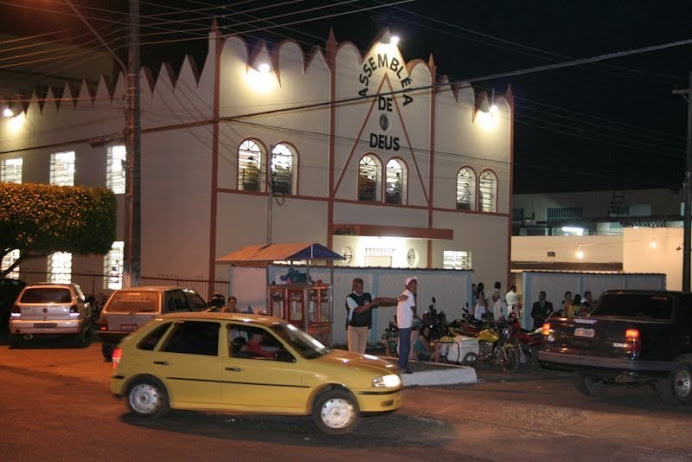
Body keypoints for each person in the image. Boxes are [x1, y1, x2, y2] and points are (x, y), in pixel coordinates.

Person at [345, 278, 399, 354]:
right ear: (353, 287)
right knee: (353, 352)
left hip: (364, 327)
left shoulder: (368, 295)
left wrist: (397, 300)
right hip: (353, 327)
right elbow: (358, 310)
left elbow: (380, 300)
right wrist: (371, 304)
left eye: (361, 287)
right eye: (357, 287)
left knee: (361, 352)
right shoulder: (350, 297)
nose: (360, 290)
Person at [397, 277, 418, 374]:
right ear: (407, 285)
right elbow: (414, 309)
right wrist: (415, 296)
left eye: (415, 284)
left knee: (404, 346)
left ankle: (403, 365)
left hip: (403, 323)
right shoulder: (409, 295)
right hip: (405, 324)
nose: (415, 286)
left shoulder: (404, 294)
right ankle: (402, 366)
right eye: (412, 284)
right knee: (405, 347)